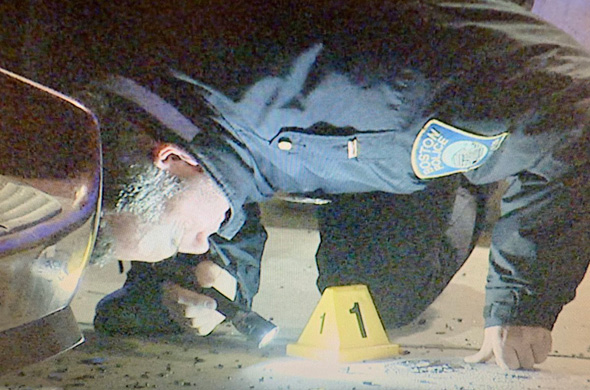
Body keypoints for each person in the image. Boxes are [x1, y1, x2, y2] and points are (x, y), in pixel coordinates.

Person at [20, 0, 590, 371]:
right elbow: (217, 154)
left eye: (180, 236)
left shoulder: (391, 100)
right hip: (301, 130)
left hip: (410, 95)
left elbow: (571, 115)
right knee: (164, 301)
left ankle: (452, 186)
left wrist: (523, 300)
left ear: (171, 160)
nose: (196, 242)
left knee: (379, 292)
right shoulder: (130, 98)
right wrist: (222, 269)